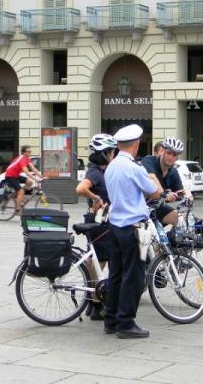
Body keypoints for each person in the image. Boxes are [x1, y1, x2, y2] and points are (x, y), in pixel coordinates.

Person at [104, 124, 162, 339]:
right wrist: (153, 177)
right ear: (136, 145)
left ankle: (111, 319)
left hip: (115, 225)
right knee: (134, 276)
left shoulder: (111, 166)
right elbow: (155, 192)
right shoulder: (133, 168)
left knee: (116, 274)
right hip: (133, 228)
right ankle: (126, 322)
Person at [75, 133, 117, 320]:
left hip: (96, 220)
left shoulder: (100, 170)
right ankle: (96, 303)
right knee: (99, 262)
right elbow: (80, 189)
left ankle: (92, 303)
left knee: (95, 261)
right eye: (112, 151)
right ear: (105, 153)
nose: (114, 154)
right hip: (99, 223)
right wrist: (97, 198)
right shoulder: (95, 172)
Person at [141, 137, 192, 228]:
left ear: (177, 157)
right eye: (169, 153)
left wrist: (187, 194)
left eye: (174, 155)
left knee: (181, 221)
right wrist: (165, 195)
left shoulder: (173, 172)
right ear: (163, 151)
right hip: (140, 208)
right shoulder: (149, 160)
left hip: (156, 208)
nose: (170, 157)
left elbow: (179, 191)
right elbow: (152, 177)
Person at [4, 145, 43, 214]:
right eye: (28, 152)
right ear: (24, 153)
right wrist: (36, 180)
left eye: (30, 151)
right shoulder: (22, 159)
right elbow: (26, 172)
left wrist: (42, 177)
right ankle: (17, 210)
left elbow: (33, 168)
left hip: (15, 175)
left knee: (30, 182)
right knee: (21, 191)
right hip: (10, 176)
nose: (30, 153)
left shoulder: (27, 158)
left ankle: (19, 196)